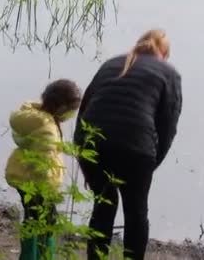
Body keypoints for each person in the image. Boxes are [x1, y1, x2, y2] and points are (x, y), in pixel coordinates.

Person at [74, 29, 183, 260]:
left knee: (103, 204)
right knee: (135, 211)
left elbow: (84, 110)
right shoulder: (169, 73)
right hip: (136, 147)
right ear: (164, 54)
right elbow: (167, 129)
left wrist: (83, 157)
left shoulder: (111, 64)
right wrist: (150, 164)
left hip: (92, 142)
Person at [5, 79, 82, 260]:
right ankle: (40, 256)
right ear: (62, 107)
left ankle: (31, 255)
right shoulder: (47, 129)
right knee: (46, 223)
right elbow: (43, 162)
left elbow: (45, 152)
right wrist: (50, 190)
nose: (72, 114)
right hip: (38, 184)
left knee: (32, 218)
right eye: (73, 109)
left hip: (24, 177)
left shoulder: (35, 118)